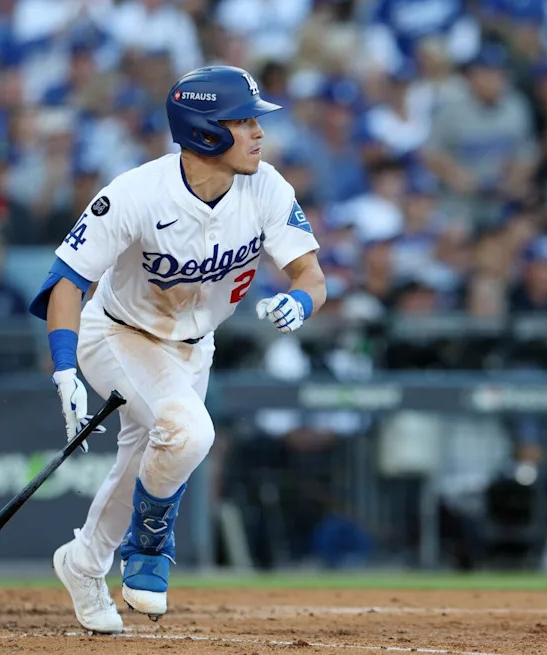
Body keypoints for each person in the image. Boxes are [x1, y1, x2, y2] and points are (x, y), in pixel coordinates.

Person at [29, 65, 325, 633]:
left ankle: (85, 563)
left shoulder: (267, 186)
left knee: (145, 458)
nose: (259, 133)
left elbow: (311, 275)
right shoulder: (137, 193)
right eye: (242, 122)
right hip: (118, 334)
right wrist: (64, 370)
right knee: (190, 433)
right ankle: (149, 552)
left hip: (194, 348)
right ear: (205, 131)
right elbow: (67, 280)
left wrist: (301, 304)